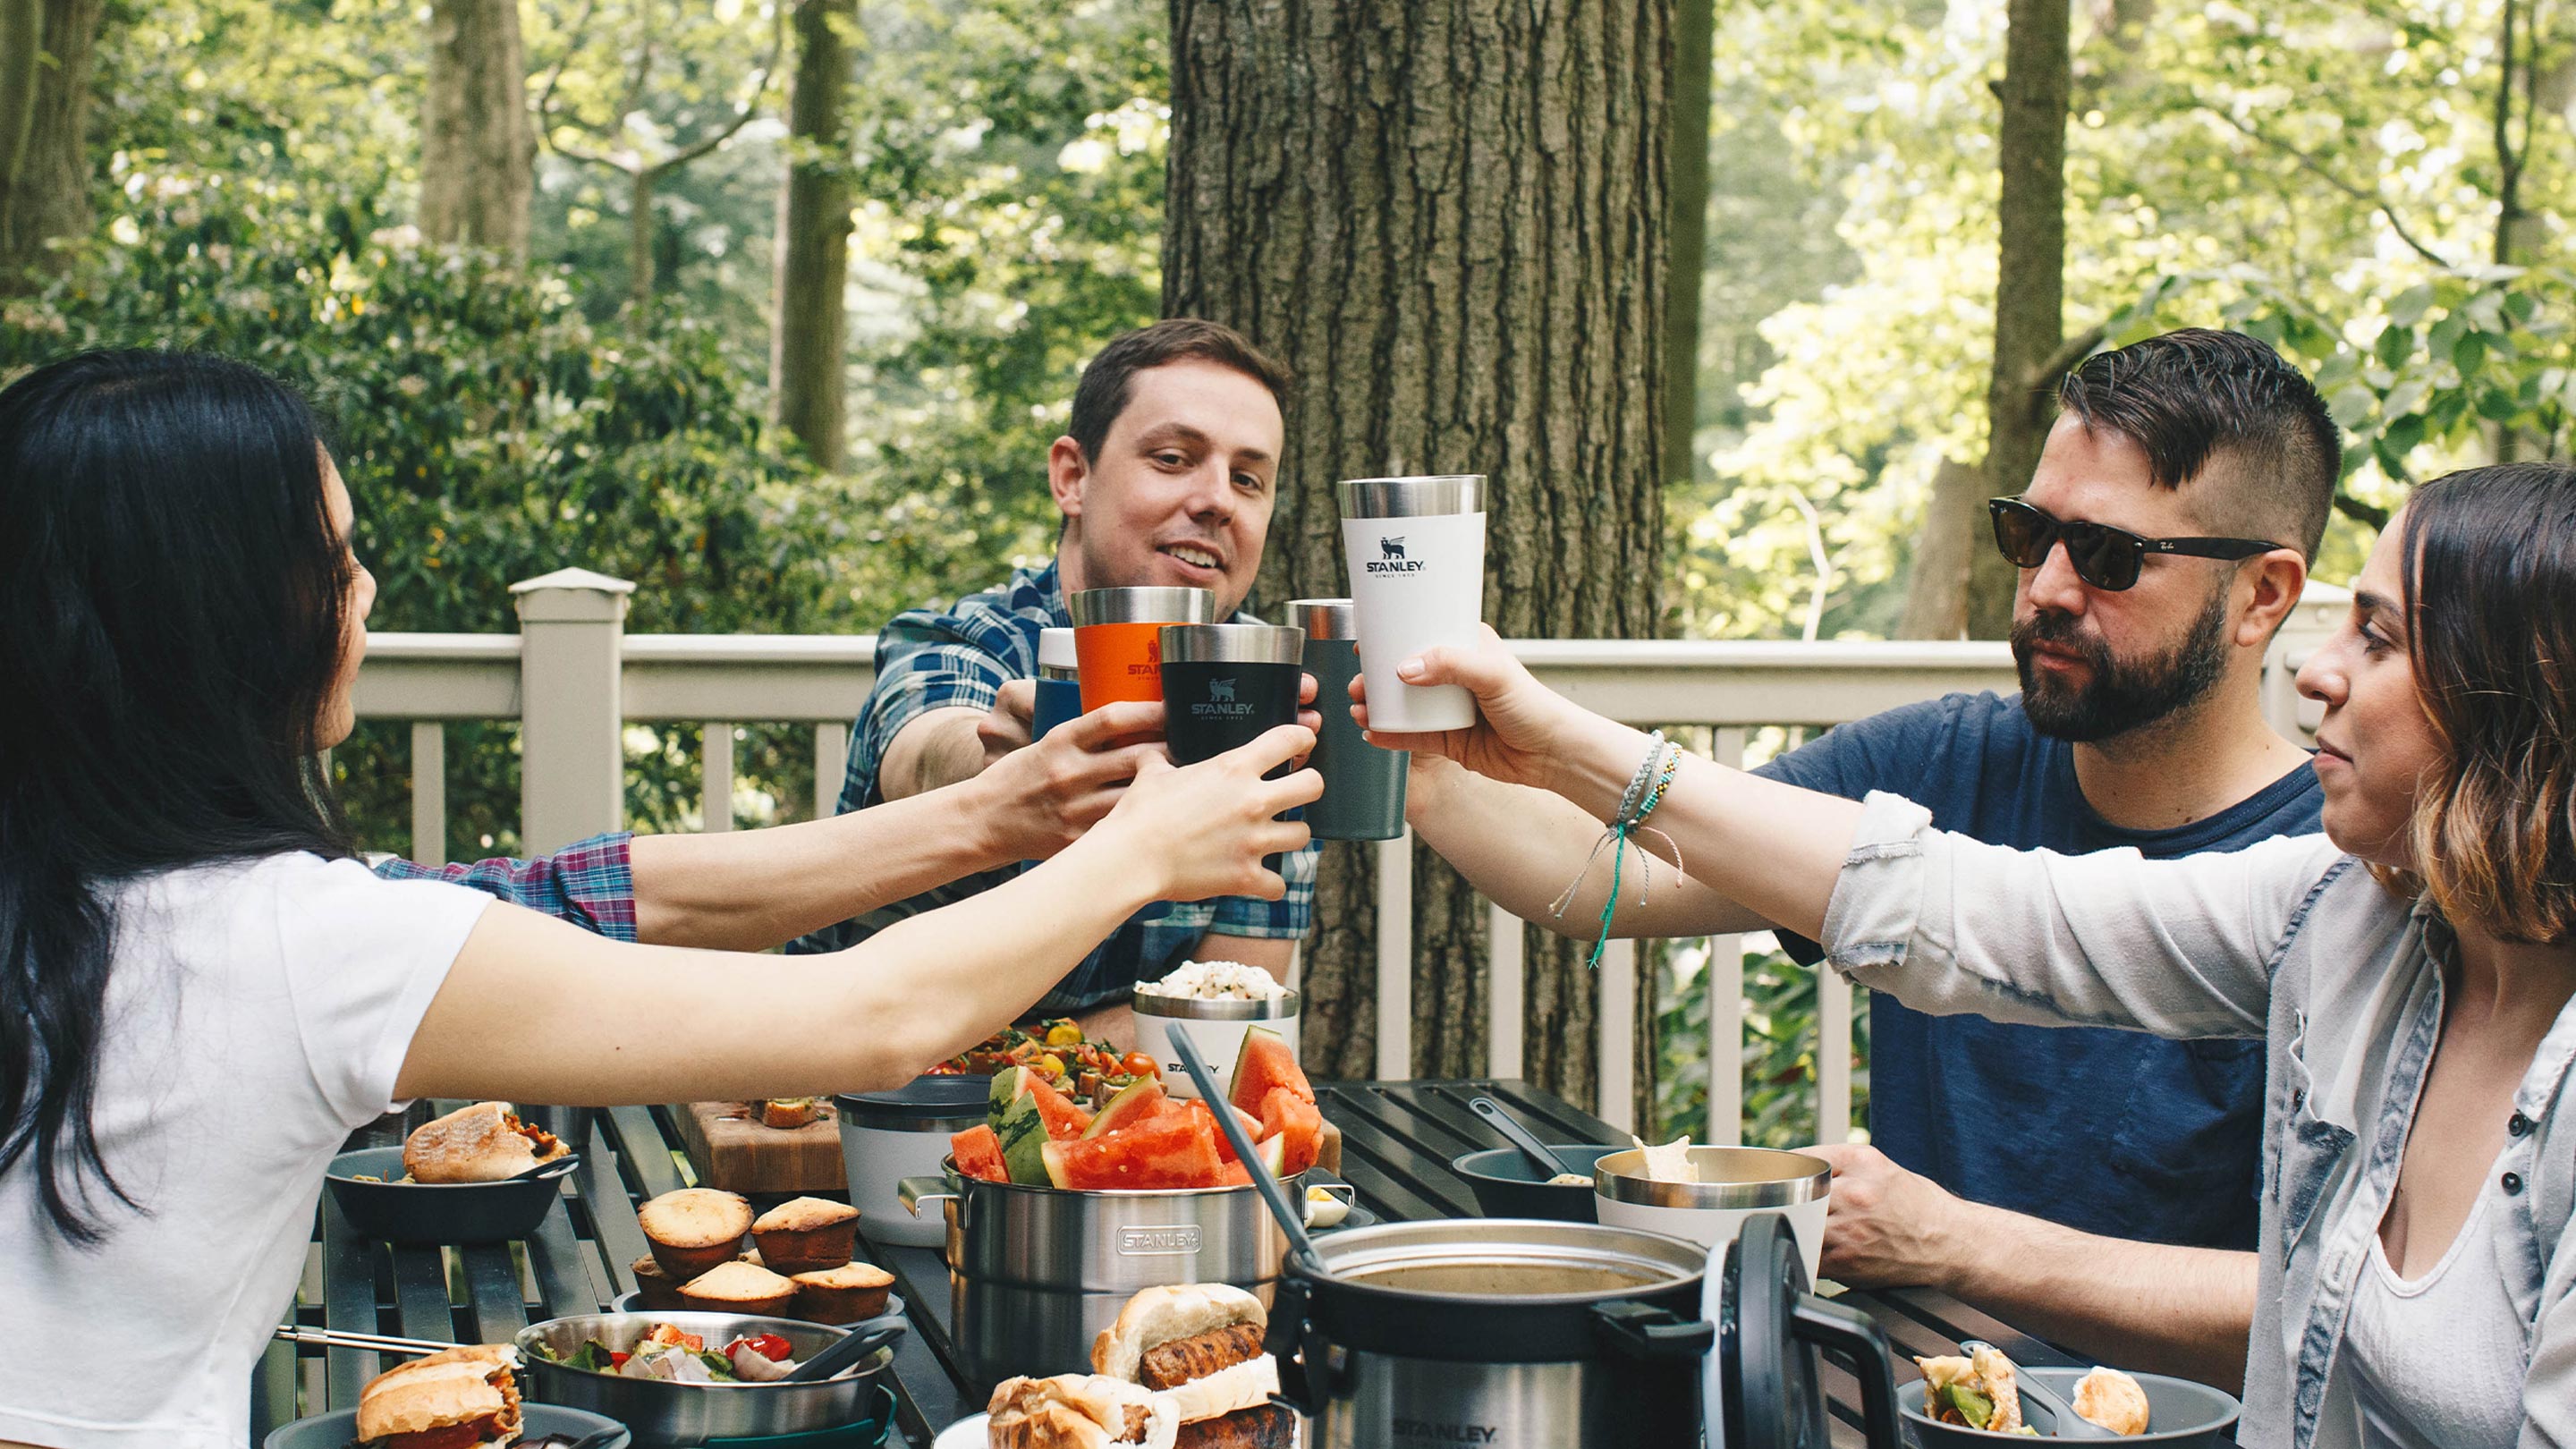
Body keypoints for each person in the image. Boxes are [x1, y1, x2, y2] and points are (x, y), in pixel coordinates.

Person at [0, 349, 1320, 1449]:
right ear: (224, 620)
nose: (366, 591)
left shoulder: (96, 886)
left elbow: (551, 897)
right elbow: (876, 1015)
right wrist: (1144, 845)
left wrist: (990, 816)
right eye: (338, 560)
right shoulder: (288, 943)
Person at [1360, 462, 2576, 1448]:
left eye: (2379, 636)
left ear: (2520, 703)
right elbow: (1971, 911)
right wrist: (1553, 741)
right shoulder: (2351, 917)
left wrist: (1962, 1243)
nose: (2319, 668)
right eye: (2028, 534)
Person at [1400, 328, 2337, 1384]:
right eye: (2030, 535)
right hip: (1882, 1397)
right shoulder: (1944, 759)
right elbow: (1601, 870)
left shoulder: (2334, 880)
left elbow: (2327, 1304)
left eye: (2111, 557)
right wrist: (1402, 743)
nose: (2046, 591)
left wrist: (1957, 1244)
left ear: (2265, 594)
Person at [794, 319, 1319, 1043]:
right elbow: (925, 750)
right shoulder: (962, 641)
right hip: (861, 1105)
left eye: (1248, 479)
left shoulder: (1269, 690)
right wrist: (1001, 769)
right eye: (1173, 458)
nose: (1217, 499)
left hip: (1123, 1118)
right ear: (1073, 477)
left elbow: (1222, 1007)